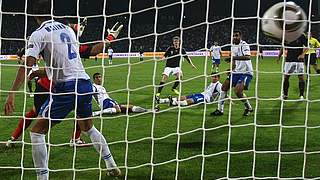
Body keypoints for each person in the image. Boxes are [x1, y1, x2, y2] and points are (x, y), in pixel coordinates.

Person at [3, 0, 123, 178]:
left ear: (34, 16)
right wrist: (109, 39)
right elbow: (90, 52)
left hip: (66, 88)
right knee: (88, 127)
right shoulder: (67, 29)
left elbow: (27, 65)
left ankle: (42, 177)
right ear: (52, 12)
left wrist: (12, 93)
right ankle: (111, 165)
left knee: (37, 132)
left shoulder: (39, 33)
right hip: (84, 84)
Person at [211, 30, 254, 116]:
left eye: (236, 35)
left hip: (246, 72)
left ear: (240, 36)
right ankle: (220, 110)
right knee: (223, 88)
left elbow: (247, 57)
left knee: (238, 92)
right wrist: (230, 69)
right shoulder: (232, 46)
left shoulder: (244, 45)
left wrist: (232, 57)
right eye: (233, 35)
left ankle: (248, 108)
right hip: (236, 72)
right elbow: (234, 62)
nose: (234, 37)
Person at [157, 73, 221, 106]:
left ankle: (174, 103)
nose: (214, 78)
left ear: (218, 78)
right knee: (184, 97)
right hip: (201, 94)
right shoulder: (212, 83)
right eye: (213, 76)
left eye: (215, 77)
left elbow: (223, 92)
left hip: (206, 99)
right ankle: (162, 101)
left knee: (191, 100)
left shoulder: (218, 85)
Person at [278, 34, 308, 100]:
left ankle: (301, 95)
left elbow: (308, 46)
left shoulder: (301, 35)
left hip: (299, 60)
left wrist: (302, 54)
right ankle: (285, 95)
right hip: (289, 60)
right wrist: (279, 56)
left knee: (301, 77)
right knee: (286, 77)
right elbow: (282, 47)